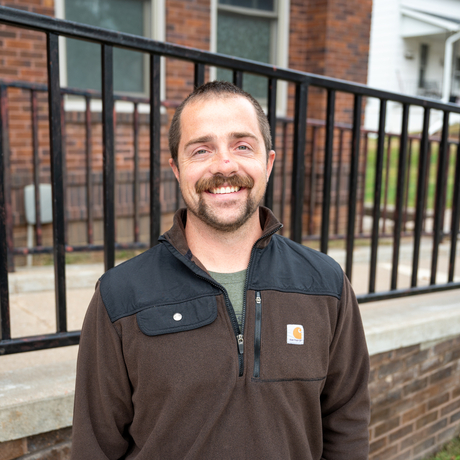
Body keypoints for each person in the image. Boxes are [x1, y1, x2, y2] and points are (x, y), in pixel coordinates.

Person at [71, 81, 370, 460]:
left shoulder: (325, 284)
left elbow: (347, 425)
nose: (224, 165)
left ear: (269, 163)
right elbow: (94, 447)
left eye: (242, 146)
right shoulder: (120, 295)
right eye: (202, 149)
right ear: (177, 169)